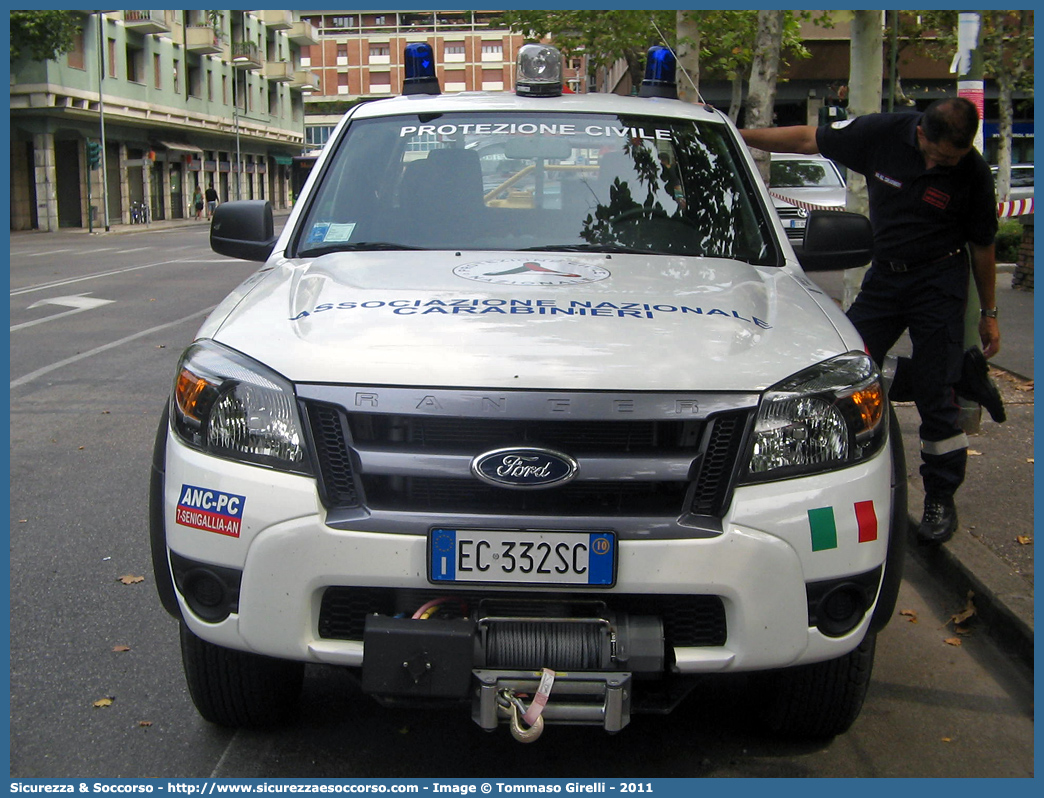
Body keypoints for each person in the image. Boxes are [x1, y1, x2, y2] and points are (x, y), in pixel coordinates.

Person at [741, 97, 1004, 545]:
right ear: (922, 133)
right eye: (939, 156)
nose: (944, 165)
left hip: (940, 280)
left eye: (954, 159)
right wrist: (739, 136)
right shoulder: (882, 134)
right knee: (844, 369)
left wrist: (990, 315)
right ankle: (956, 375)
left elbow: (983, 247)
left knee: (936, 394)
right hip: (886, 277)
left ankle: (941, 495)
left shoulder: (972, 172)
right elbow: (808, 138)